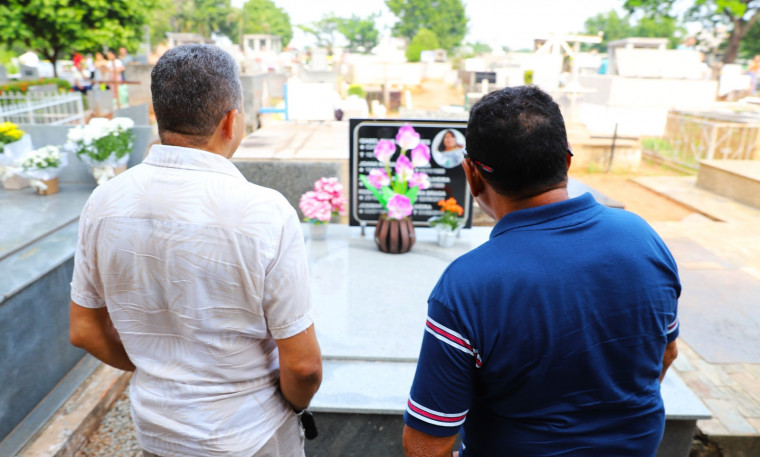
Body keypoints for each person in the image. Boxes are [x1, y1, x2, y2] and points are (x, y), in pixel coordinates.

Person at [69, 44, 322, 457]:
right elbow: (303, 366)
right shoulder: (265, 212)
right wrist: (295, 404)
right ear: (230, 121)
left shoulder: (103, 203)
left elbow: (84, 330)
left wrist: (165, 371)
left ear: (158, 116)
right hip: (251, 432)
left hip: (158, 433)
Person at [402, 86, 680, 457]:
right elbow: (666, 354)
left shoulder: (468, 286)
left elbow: (426, 446)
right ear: (566, 162)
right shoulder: (643, 238)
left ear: (472, 175)